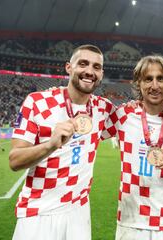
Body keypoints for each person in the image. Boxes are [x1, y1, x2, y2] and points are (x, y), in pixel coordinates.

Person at [9, 44, 115, 240]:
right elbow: (15, 160)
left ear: (101, 74)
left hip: (79, 212)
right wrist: (50, 144)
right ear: (69, 67)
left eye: (96, 67)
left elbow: (139, 118)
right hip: (38, 213)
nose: (89, 71)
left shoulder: (103, 109)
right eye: (83, 64)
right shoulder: (37, 102)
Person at [105, 55, 163, 240]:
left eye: (160, 78)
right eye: (148, 79)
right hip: (129, 219)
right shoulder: (123, 115)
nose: (154, 86)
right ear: (138, 83)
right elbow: (88, 133)